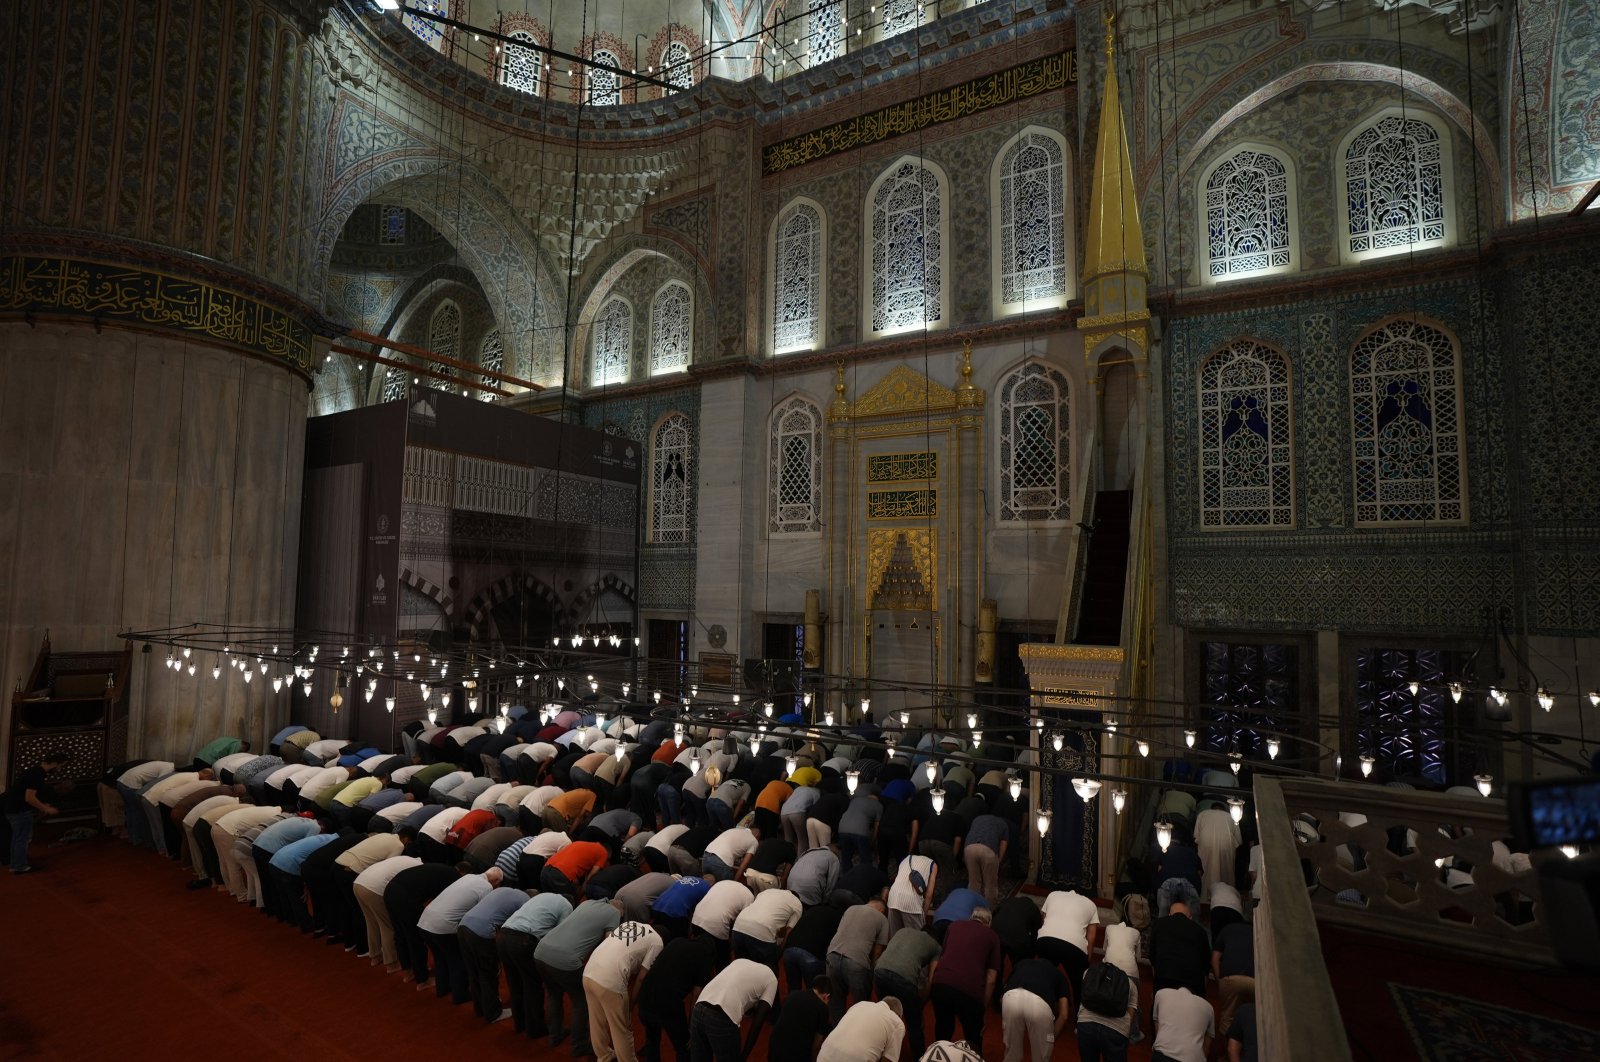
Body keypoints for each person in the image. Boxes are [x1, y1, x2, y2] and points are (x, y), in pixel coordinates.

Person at [535, 897, 623, 1055]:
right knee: (580, 1001)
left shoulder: (587, 902)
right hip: (565, 960)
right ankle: (579, 1046)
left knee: (554, 995)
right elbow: (610, 942)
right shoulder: (614, 913)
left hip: (541, 951)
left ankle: (555, 1036)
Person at [416, 866, 501, 1005]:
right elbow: (482, 913)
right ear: (496, 880)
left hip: (425, 921)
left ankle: (442, 989)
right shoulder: (486, 887)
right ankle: (460, 995)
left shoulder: (468, 877)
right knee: (457, 960)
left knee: (440, 958)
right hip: (443, 927)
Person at [583, 920, 665, 1062]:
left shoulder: (630, 923)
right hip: (610, 979)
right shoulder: (658, 942)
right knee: (622, 1029)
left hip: (589, 971)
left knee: (596, 1021)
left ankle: (604, 1056)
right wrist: (631, 1005)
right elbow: (641, 978)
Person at [499, 889, 573, 1040]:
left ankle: (520, 1024)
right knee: (532, 984)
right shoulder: (567, 906)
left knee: (515, 983)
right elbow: (560, 935)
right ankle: (535, 1029)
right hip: (522, 940)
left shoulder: (543, 896)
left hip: (503, 935)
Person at [639, 931, 718, 1062]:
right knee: (684, 1047)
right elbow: (697, 994)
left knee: (652, 1040)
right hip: (667, 1003)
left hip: (645, 995)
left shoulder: (677, 941)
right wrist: (693, 1028)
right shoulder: (705, 955)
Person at [458, 882, 531, 1022]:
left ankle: (480, 1008)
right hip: (480, 933)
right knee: (488, 973)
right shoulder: (526, 901)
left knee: (474, 971)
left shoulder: (503, 890)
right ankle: (493, 1013)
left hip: (463, 926)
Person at [929, 906, 1000, 1046]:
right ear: (989, 923)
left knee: (943, 1032)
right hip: (969, 992)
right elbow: (991, 979)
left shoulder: (953, 926)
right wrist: (982, 1007)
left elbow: (942, 956)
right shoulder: (992, 936)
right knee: (973, 1039)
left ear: (971, 918)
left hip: (941, 984)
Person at [689, 957, 777, 1062]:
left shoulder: (740, 961)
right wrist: (743, 1056)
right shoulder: (772, 979)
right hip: (722, 1015)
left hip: (699, 1007)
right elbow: (757, 1023)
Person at [873, 926, 941, 1059]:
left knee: (884, 1017)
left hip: (880, 971)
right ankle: (919, 1058)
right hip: (904, 979)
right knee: (914, 1025)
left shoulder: (902, 930)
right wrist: (919, 1006)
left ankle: (878, 1052)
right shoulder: (937, 947)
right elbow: (931, 981)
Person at [825, 898, 890, 1023]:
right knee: (861, 1006)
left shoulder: (851, 908)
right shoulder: (882, 919)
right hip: (856, 962)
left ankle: (837, 1034)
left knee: (835, 1002)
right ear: (882, 910)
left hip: (832, 955)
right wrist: (871, 969)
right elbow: (878, 950)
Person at [1036, 888, 1100, 1008]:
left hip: (1046, 940)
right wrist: (1087, 959)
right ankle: (1078, 1020)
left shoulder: (1053, 894)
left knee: (1044, 974)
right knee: (1078, 984)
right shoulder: (1091, 904)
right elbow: (1091, 936)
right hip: (1074, 947)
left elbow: (1044, 919)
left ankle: (1042, 1005)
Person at [999, 956, 1070, 1062]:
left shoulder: (1022, 963)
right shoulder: (1059, 975)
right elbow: (1064, 1015)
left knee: (1012, 1055)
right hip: (1040, 1005)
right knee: (1041, 1058)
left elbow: (1002, 994)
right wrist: (1050, 1037)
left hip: (1010, 998)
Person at [6, 751, 67, 873]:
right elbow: (29, 797)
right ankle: (20, 867)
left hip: (12, 808)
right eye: (60, 766)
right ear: (55, 763)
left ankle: (15, 865)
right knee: (23, 839)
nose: (60, 769)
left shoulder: (35, 771)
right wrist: (46, 809)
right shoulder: (37, 774)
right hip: (19, 810)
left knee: (17, 838)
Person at [729, 886, 802, 968]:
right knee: (768, 971)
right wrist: (778, 954)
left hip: (739, 926)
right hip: (762, 932)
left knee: (742, 967)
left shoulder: (768, 891)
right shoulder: (797, 904)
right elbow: (788, 932)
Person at [1149, 901, 1210, 997]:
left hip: (1164, 977)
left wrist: (1157, 982)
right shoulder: (1201, 931)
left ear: (1169, 915)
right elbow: (1206, 966)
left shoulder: (1159, 924)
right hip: (1193, 982)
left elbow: (1152, 956)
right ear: (1190, 917)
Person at [768, 973, 833, 1062]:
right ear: (826, 996)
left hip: (774, 1048)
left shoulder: (793, 994)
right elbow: (816, 1045)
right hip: (795, 1055)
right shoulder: (822, 1008)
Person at [817, 997, 904, 1062]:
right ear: (898, 1015)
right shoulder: (897, 1022)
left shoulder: (860, 1004)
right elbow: (888, 1059)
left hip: (824, 1055)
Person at [1212, 919, 1255, 1039]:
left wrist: (1219, 981)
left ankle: (1226, 1055)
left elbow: (1215, 959)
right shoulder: (1258, 930)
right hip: (1255, 980)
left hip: (1231, 978)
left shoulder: (1228, 928)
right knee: (1255, 1017)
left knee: (1227, 1019)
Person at [1151, 984, 1213, 1062]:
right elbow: (1207, 1049)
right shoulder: (1209, 1008)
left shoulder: (1160, 993)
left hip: (1162, 1056)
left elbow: (1157, 1030)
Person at [962, 812, 1010, 907]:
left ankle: (972, 909)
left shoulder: (977, 818)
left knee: (973, 882)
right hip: (988, 849)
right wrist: (998, 861)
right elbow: (1003, 844)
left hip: (969, 848)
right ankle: (989, 913)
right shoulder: (1003, 824)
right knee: (990, 885)